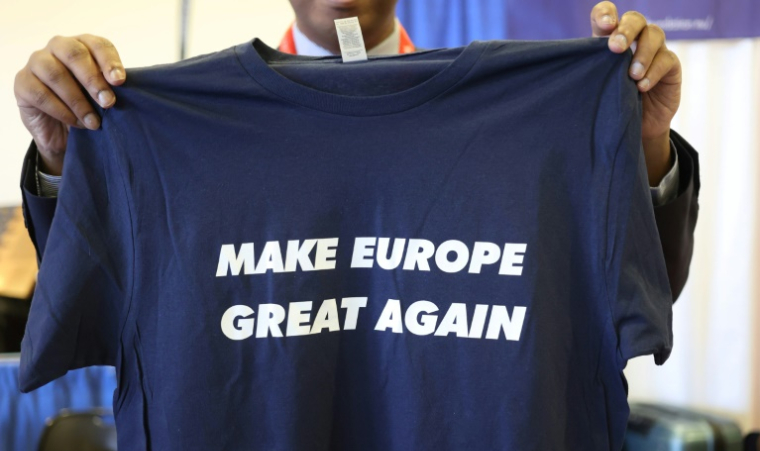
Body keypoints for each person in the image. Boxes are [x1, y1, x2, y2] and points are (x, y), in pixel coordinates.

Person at [14, 0, 697, 300]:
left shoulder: (516, 122)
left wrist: (645, 147)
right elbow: (95, 294)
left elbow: (639, 290)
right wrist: (64, 162)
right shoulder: (178, 132)